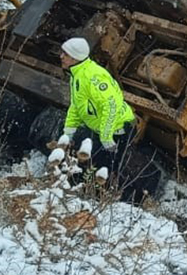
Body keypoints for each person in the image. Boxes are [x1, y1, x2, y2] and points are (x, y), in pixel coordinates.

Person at [57, 37, 137, 185]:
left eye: (66, 54)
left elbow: (112, 105)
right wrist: (68, 132)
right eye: (62, 52)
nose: (61, 56)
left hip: (120, 130)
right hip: (102, 130)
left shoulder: (93, 76)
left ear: (76, 57)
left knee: (106, 170)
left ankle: (109, 200)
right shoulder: (76, 75)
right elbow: (76, 106)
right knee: (88, 164)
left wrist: (106, 137)